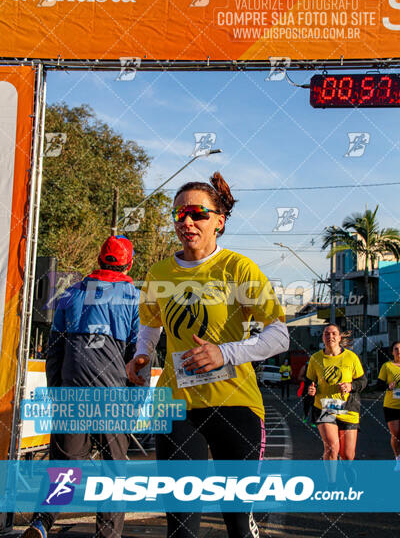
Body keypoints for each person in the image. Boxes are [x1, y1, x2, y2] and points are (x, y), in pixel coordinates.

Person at [127, 172, 289, 538]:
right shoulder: (159, 272)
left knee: (236, 524)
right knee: (181, 527)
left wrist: (225, 353)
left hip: (236, 405)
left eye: (198, 214)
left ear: (219, 221)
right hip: (176, 406)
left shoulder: (238, 269)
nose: (187, 222)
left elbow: (279, 335)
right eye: (179, 214)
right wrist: (142, 353)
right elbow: (151, 322)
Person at [21, 235, 139, 538]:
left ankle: (41, 523)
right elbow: (137, 359)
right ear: (129, 263)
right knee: (113, 472)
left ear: (99, 260)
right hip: (112, 398)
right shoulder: (133, 298)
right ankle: (107, 535)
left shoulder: (70, 294)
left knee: (64, 466)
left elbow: (54, 353)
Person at [307, 324, 367, 461]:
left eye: (334, 333)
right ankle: (331, 483)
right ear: (322, 337)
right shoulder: (315, 358)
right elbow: (308, 382)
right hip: (325, 408)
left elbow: (363, 382)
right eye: (326, 334)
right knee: (332, 448)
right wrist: (311, 390)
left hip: (348, 408)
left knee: (347, 455)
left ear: (340, 337)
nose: (330, 337)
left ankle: (347, 472)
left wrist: (350, 386)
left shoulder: (351, 357)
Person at [377, 341, 400, 470]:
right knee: (396, 434)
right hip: (391, 405)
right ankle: (398, 459)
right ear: (392, 352)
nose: (399, 351)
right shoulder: (387, 366)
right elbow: (379, 385)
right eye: (396, 349)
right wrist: (388, 386)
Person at [298, 359, 315, 426]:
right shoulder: (305, 367)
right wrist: (306, 380)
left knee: (315, 406)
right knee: (306, 404)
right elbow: (299, 377)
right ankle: (305, 415)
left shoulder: (318, 367)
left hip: (316, 389)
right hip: (306, 389)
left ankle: (313, 421)